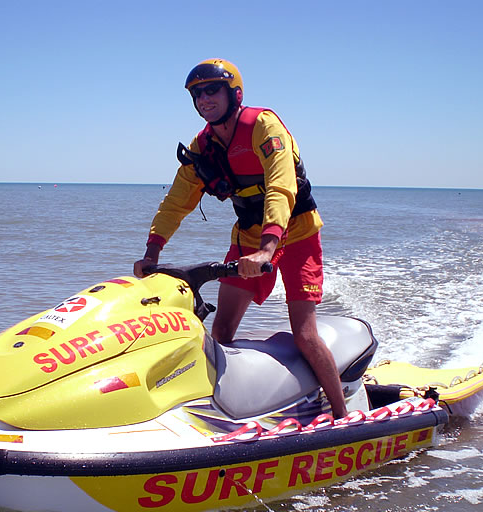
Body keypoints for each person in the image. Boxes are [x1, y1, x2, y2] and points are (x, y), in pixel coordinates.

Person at [133, 58, 347, 419]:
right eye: (197, 93)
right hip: (249, 238)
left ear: (235, 93)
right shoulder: (203, 146)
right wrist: (151, 253)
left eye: (211, 89)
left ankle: (342, 417)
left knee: (305, 336)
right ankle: (227, 410)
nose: (204, 99)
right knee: (221, 329)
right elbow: (175, 202)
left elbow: (280, 187)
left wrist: (268, 248)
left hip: (296, 235)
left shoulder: (264, 126)